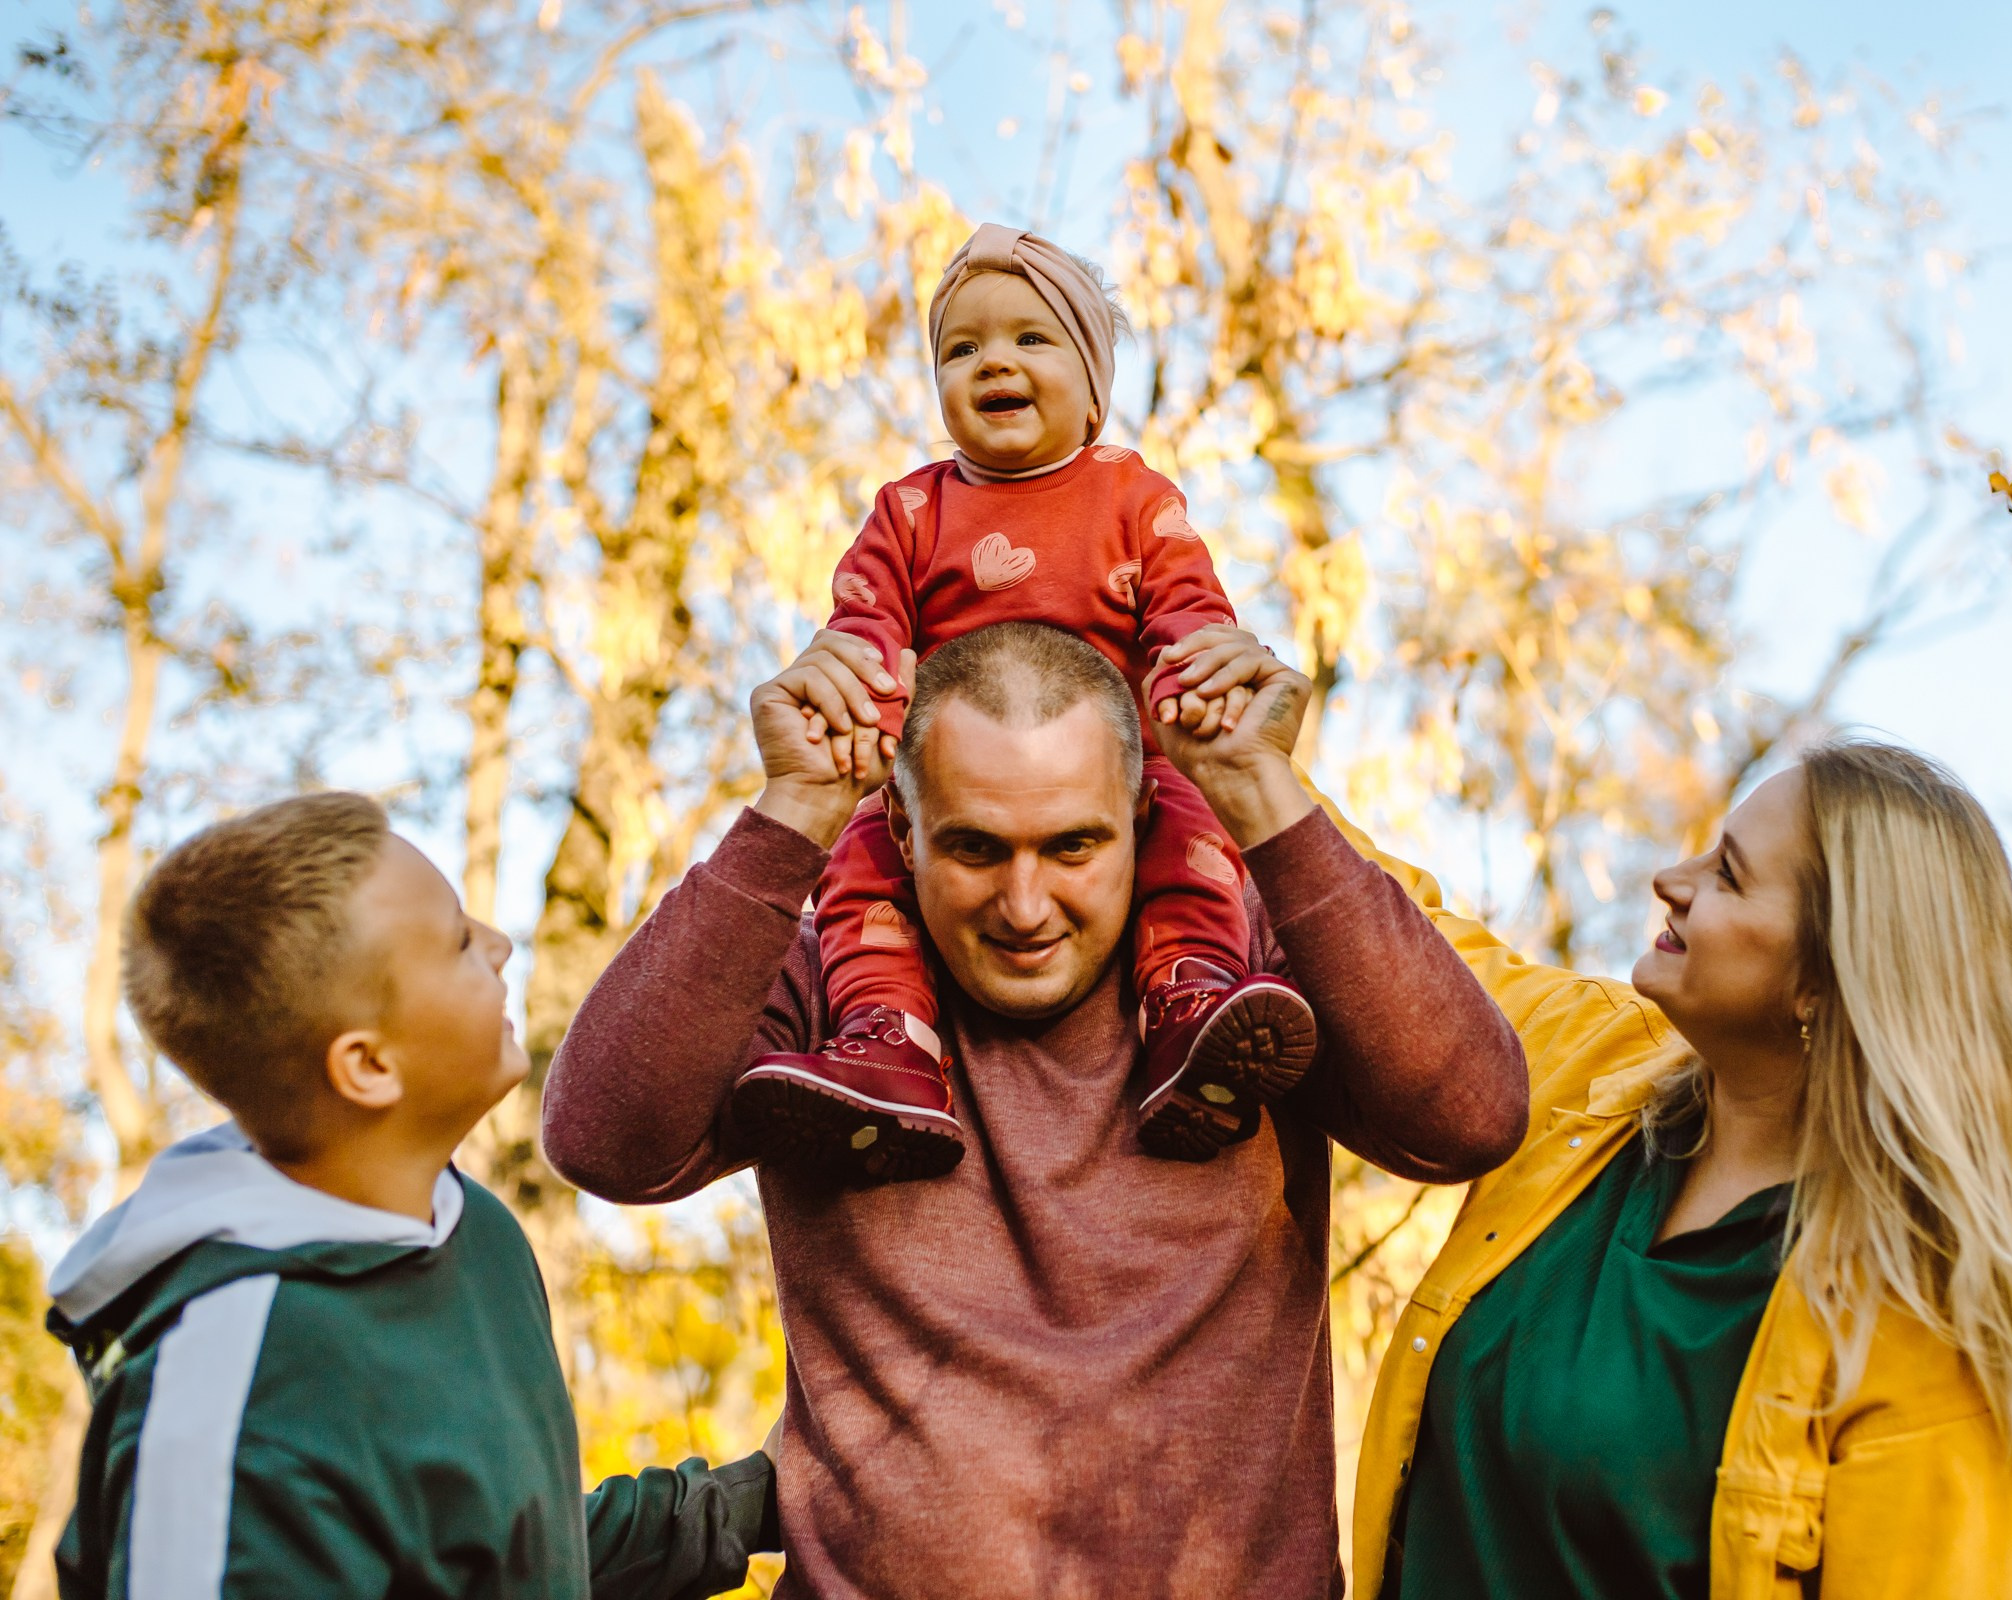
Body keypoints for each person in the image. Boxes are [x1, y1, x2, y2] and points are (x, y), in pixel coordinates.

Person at [540, 620, 1530, 1598]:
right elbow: (605, 1142)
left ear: (1143, 816)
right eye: (975, 848)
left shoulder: (1239, 981)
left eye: (1072, 846)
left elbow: (1470, 1118)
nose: (1024, 905)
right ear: (899, 826)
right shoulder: (826, 987)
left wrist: (1264, 796)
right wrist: (790, 812)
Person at [1323, 739, 2012, 1599]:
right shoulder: (1599, 1071)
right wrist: (1238, 761)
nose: (1672, 880)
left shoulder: (1926, 1333)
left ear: (1827, 981)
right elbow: (1390, 931)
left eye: (1728, 874)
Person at [45, 794, 780, 1600]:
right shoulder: (228, 1401)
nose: (500, 946)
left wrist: (753, 1500)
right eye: (459, 941)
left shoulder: (475, 1231)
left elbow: (512, 1551)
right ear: (368, 1066)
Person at [733, 221, 1315, 1186]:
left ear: (1094, 390)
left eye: (1030, 339)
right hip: (946, 781)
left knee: (1188, 835)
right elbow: (864, 619)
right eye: (962, 349)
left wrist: (1203, 670)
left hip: (1117, 767)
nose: (992, 361)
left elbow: (1186, 603)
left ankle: (1189, 1000)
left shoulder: (1129, 494)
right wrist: (849, 685)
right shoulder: (911, 511)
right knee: (858, 871)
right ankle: (889, 1041)